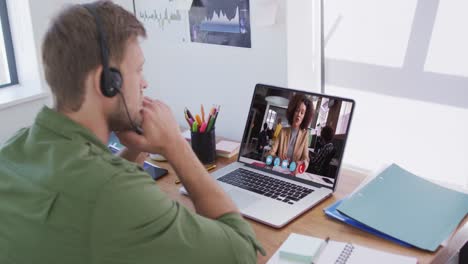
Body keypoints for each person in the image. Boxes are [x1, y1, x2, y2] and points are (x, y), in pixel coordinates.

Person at [0, 1, 263, 263]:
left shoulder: (13, 150)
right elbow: (243, 251)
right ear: (107, 82)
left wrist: (138, 146)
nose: (145, 82)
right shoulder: (114, 194)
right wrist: (175, 145)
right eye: (138, 70)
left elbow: (90, 186)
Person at [269, 94, 314, 172]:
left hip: (293, 173)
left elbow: (306, 158)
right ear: (292, 111)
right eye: (297, 110)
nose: (299, 115)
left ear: (305, 116)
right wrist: (277, 159)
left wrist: (302, 163)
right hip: (279, 170)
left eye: (302, 113)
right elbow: (270, 153)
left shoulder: (305, 135)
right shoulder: (282, 131)